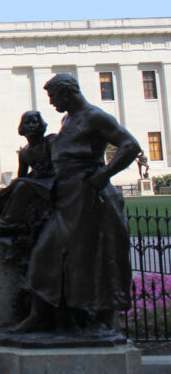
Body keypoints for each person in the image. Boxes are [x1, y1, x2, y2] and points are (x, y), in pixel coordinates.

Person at [13, 74, 141, 335]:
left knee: (89, 259)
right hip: (66, 198)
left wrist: (103, 175)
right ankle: (40, 315)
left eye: (53, 97)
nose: (51, 103)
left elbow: (130, 146)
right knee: (44, 253)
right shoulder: (67, 120)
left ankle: (96, 320)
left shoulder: (95, 116)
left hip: (90, 200)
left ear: (66, 93)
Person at [0, 111, 55, 271]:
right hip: (38, 185)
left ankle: (4, 227)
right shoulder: (24, 153)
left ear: (41, 126)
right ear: (22, 128)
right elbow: (21, 176)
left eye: (35, 122)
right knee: (15, 190)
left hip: (54, 183)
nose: (32, 126)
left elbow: (62, 165)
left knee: (21, 186)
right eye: (28, 123)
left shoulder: (51, 141)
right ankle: (5, 218)